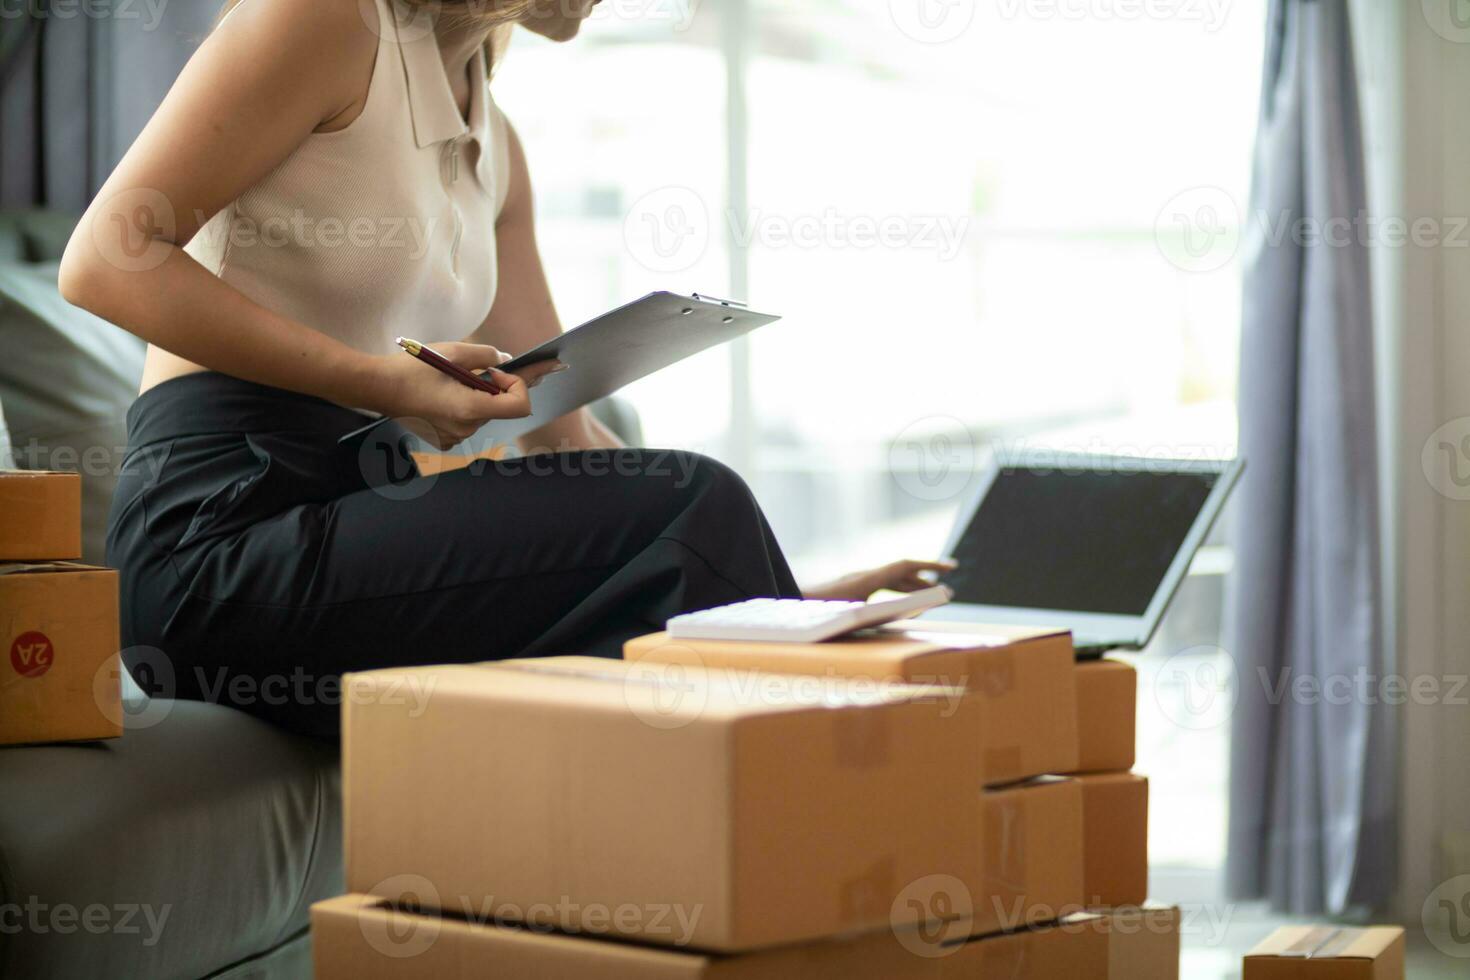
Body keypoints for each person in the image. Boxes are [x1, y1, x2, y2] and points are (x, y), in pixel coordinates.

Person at [58, 0, 953, 738]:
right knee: (694, 499)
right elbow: (102, 259)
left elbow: (564, 433)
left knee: (679, 539)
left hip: (353, 519)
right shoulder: (321, 21)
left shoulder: (499, 143)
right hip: (214, 547)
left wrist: (780, 594)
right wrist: (380, 382)